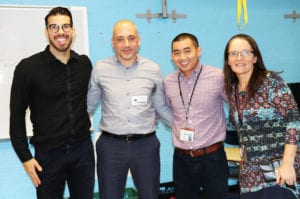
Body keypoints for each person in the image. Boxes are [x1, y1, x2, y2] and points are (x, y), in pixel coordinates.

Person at [9, 7, 95, 199]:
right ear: (46, 31)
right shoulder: (28, 68)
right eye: (54, 27)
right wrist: (25, 157)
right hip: (48, 156)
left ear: (73, 30)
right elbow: (16, 115)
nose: (60, 32)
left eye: (65, 26)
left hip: (83, 152)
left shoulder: (84, 64)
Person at [87, 19, 172, 199]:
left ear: (139, 40)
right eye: (120, 39)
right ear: (112, 42)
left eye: (131, 38)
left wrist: (184, 129)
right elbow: (88, 106)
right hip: (111, 147)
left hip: (146, 146)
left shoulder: (153, 69)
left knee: (150, 195)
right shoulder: (100, 69)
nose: (126, 44)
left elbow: (161, 107)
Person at [223, 33, 300, 199]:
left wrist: (287, 164)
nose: (239, 57)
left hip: (279, 170)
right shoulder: (234, 90)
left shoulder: (271, 82)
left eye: (245, 52)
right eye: (234, 53)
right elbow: (238, 128)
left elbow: (293, 122)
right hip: (251, 175)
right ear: (228, 60)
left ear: (255, 58)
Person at [164, 33, 229, 199]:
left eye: (187, 51)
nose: (182, 57)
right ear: (172, 56)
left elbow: (237, 107)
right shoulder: (168, 82)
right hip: (181, 159)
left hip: (212, 158)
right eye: (177, 52)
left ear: (198, 51)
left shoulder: (218, 76)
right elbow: (168, 111)